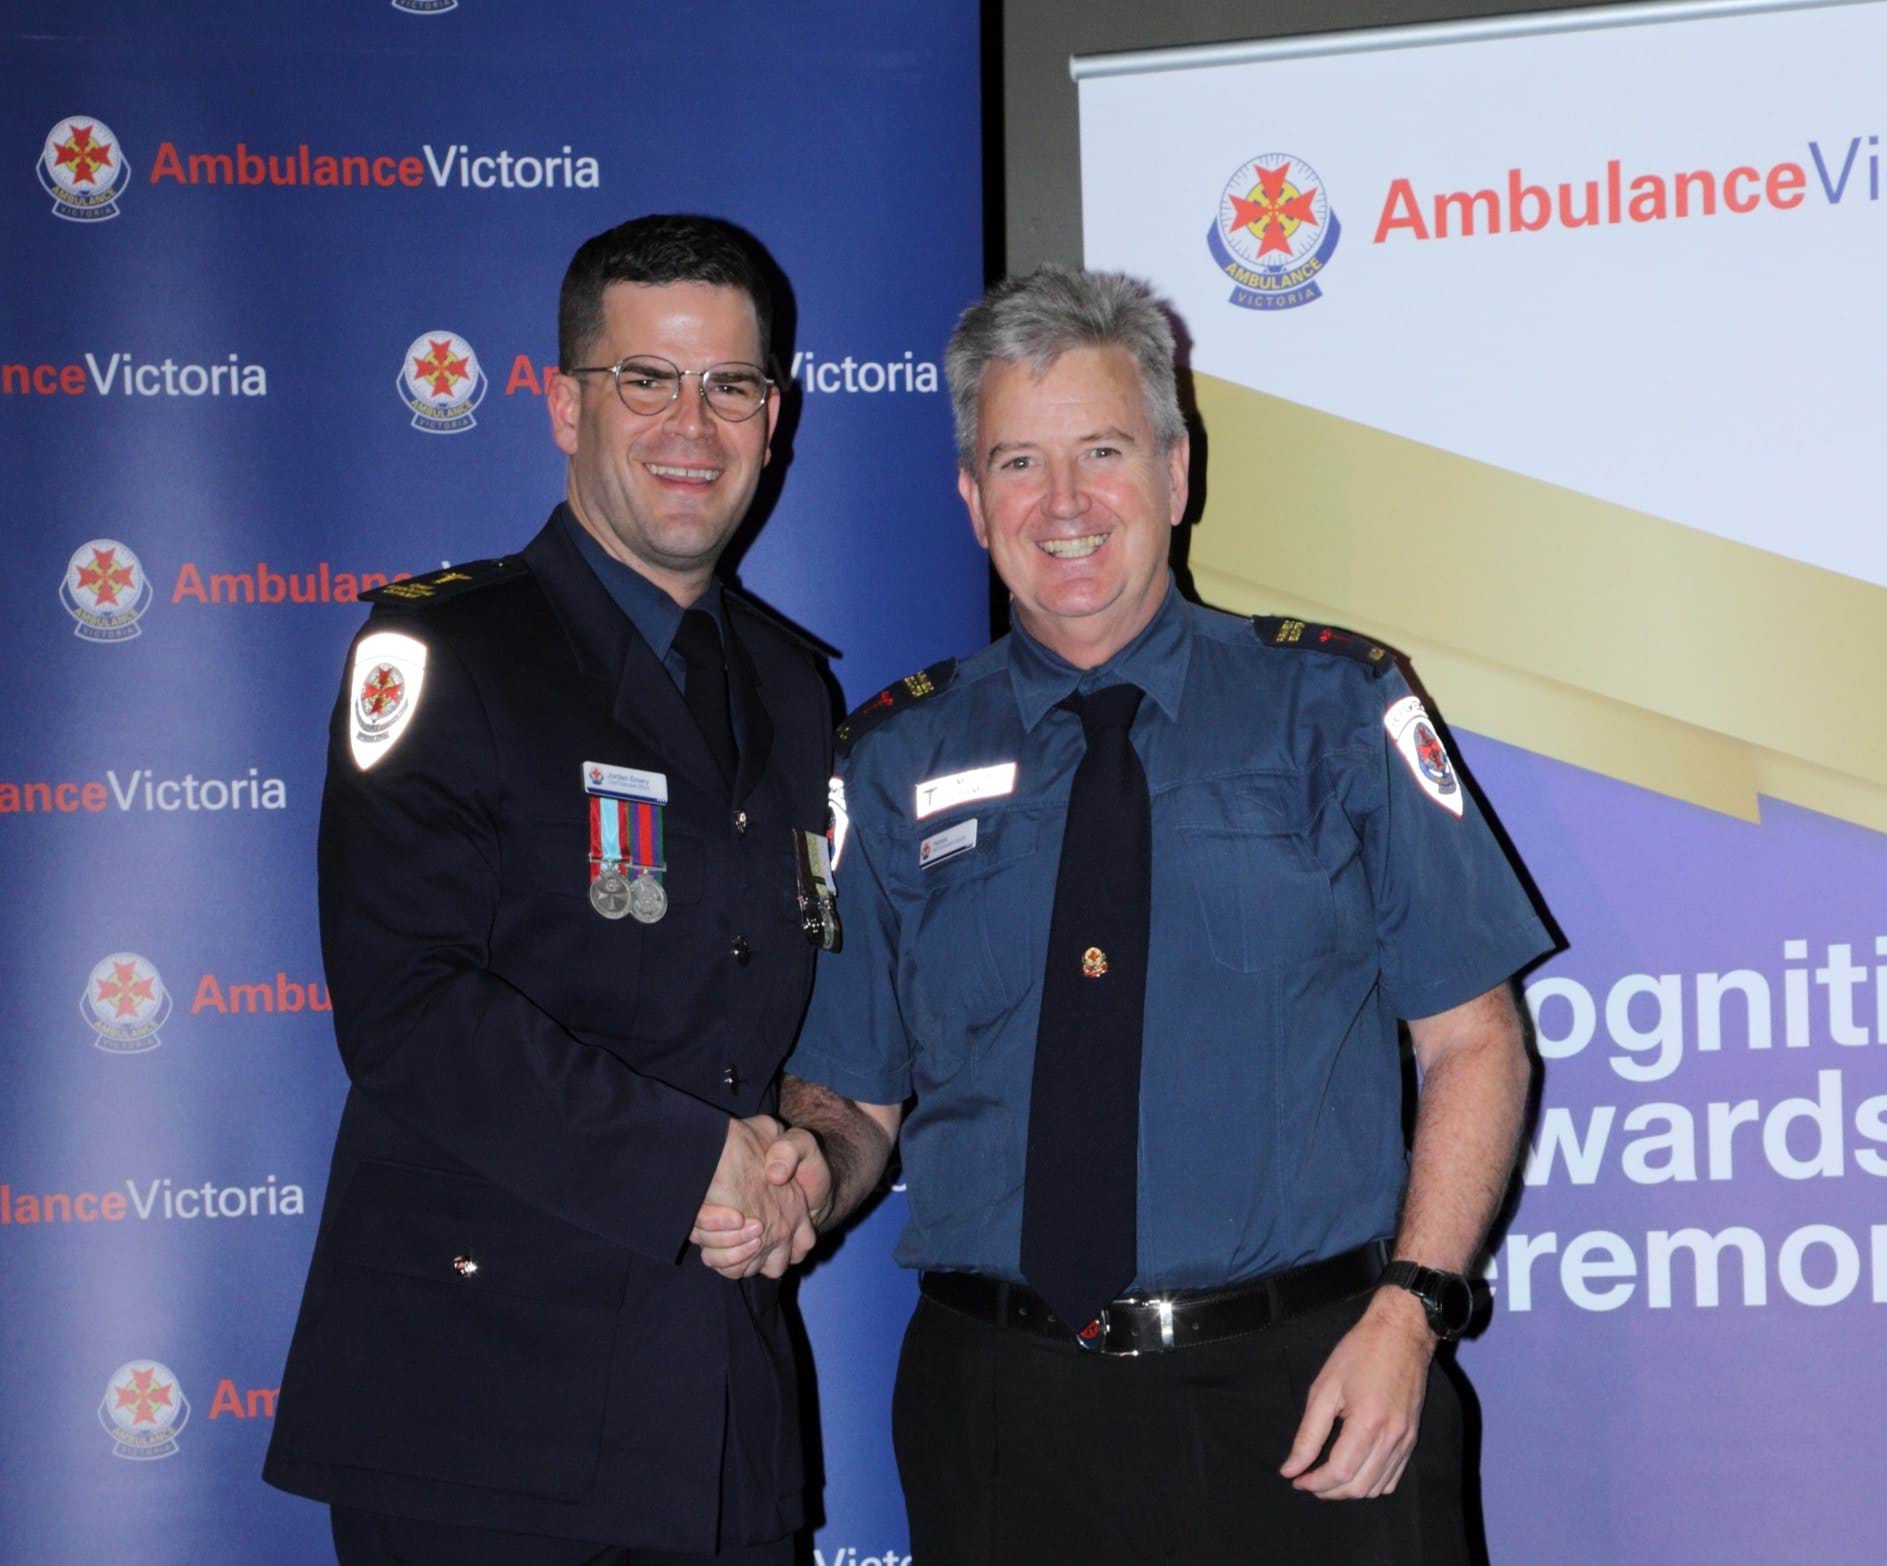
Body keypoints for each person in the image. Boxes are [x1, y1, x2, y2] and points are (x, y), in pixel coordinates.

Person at [712, 267, 1555, 1564]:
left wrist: (1412, 1308)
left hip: (1319, 1390)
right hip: (1005, 1413)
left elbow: (1474, 1042)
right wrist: (801, 1181)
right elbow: (855, 1098)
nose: (1064, 506)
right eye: (1018, 463)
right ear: (970, 499)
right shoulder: (889, 758)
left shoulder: (1334, 711)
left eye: (1102, 452)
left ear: (1174, 469)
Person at [264, 214, 835, 1566]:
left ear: (776, 415)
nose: (692, 425)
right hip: (482, 1418)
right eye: (648, 379)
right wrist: (697, 1157)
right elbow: (406, 1006)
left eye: (731, 385)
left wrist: (810, 1155)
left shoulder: (797, 689)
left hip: (717, 1412)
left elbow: (779, 994)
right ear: (566, 403)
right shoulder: (443, 651)